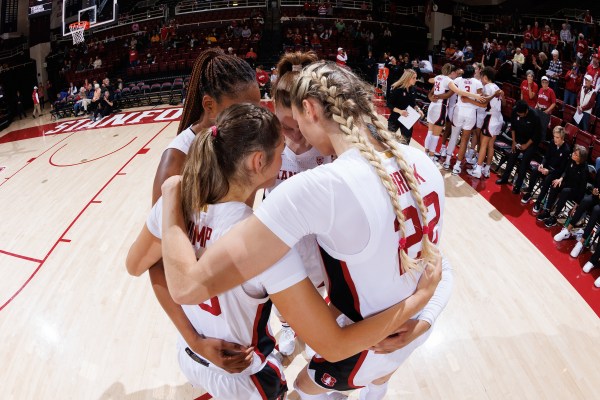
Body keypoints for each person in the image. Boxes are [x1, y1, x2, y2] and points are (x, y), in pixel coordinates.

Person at [160, 61, 451, 400]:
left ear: (310, 109)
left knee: (301, 390)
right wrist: (424, 310)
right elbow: (441, 265)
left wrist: (170, 194)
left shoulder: (318, 187)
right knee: (373, 381)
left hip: (366, 343)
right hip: (411, 331)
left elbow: (186, 286)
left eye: (296, 124)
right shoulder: (421, 163)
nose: (296, 139)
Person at [146, 49, 265, 378]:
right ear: (210, 106)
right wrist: (195, 341)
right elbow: (156, 264)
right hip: (201, 314)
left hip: (231, 298)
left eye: (257, 107)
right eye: (243, 110)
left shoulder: (238, 145)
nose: (252, 118)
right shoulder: (176, 162)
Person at [267, 51, 333, 357]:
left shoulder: (329, 143)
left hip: (322, 236)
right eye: (286, 126)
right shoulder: (265, 143)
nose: (295, 134)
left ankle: (316, 328)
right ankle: (288, 326)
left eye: (300, 125)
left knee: (320, 285)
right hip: (281, 237)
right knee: (283, 292)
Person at [444, 65, 484, 174]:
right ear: (473, 73)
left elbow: (450, 92)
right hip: (471, 112)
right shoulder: (477, 83)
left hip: (458, 110)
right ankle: (457, 166)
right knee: (465, 140)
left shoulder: (458, 79)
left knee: (453, 136)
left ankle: (447, 161)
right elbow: (482, 100)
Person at [536, 145, 589, 228]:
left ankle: (555, 217)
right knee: (555, 184)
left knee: (564, 191)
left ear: (580, 158)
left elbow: (582, 188)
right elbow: (565, 171)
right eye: (574, 152)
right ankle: (547, 210)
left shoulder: (584, 170)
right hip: (567, 183)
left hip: (575, 191)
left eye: (576, 154)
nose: (573, 154)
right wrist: (560, 179)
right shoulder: (571, 160)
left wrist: (576, 205)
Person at [496, 100, 542, 194]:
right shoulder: (515, 111)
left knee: (524, 163)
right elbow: (513, 127)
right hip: (518, 139)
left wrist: (526, 145)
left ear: (526, 111)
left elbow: (537, 135)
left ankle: (518, 186)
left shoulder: (535, 117)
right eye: (518, 115)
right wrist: (513, 141)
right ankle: (505, 178)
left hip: (531, 142)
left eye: (521, 115)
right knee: (511, 157)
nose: (520, 116)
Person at [554, 166, 600, 258]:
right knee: (585, 201)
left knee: (596, 211)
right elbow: (596, 184)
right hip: (596, 197)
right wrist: (595, 191)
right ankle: (567, 230)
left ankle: (581, 243)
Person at [467, 67, 503, 179]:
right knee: (490, 145)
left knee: (483, 144)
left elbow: (484, 102)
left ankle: (478, 169)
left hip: (491, 117)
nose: (481, 79)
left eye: (482, 77)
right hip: (498, 118)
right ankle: (486, 170)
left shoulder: (487, 87)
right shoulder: (497, 87)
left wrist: (470, 100)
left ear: (485, 77)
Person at [522, 126, 571, 209]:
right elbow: (546, 156)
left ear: (562, 138)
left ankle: (538, 202)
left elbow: (562, 169)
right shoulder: (552, 142)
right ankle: (529, 193)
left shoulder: (566, 150)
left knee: (548, 179)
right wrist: (542, 164)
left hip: (555, 172)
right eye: (554, 137)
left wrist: (549, 171)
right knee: (535, 170)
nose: (555, 139)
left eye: (557, 137)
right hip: (547, 167)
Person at [387, 69, 423, 144]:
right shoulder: (397, 89)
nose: (415, 80)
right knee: (389, 140)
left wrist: (418, 109)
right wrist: (400, 111)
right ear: (407, 78)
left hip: (407, 119)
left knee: (406, 142)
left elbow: (413, 103)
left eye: (416, 78)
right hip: (395, 118)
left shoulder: (413, 89)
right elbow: (389, 104)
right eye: (414, 78)